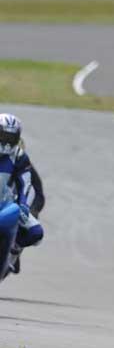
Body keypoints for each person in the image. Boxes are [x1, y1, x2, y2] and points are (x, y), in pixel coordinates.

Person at [0, 114, 45, 272]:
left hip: (8, 205)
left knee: (36, 233)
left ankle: (14, 251)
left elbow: (30, 187)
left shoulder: (19, 157)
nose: (7, 143)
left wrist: (25, 206)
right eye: (3, 136)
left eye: (11, 138)